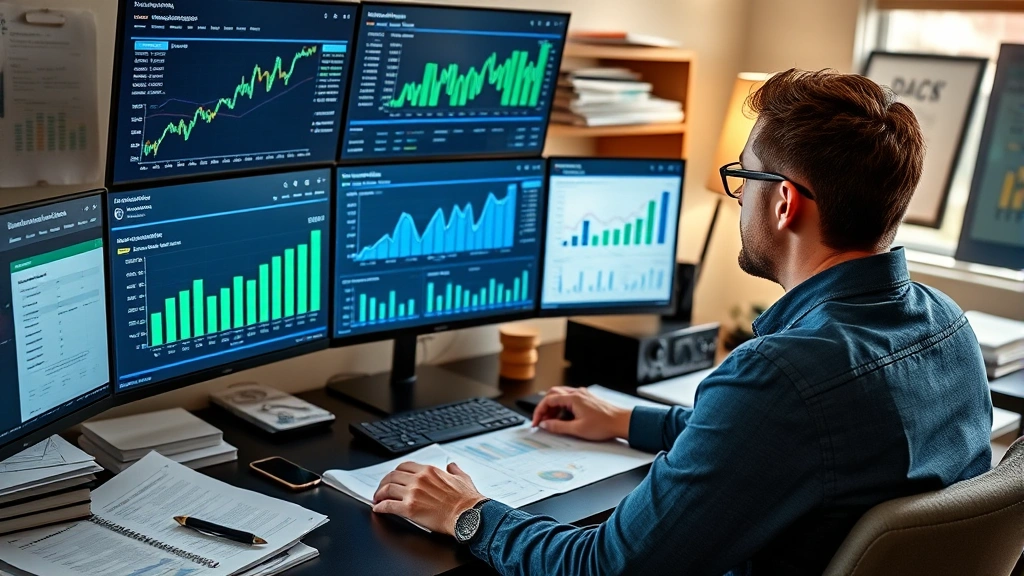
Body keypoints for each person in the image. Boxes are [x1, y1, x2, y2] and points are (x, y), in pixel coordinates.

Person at [369, 69, 994, 575]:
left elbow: (607, 566)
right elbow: (790, 442)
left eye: (742, 176)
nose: (738, 194)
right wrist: (628, 420)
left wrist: (469, 511)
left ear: (783, 202)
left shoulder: (785, 374)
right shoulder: (947, 326)